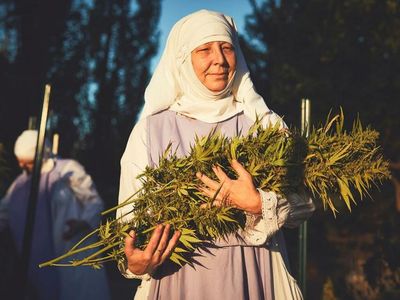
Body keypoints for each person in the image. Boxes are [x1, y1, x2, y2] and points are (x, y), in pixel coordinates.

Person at [118, 9, 315, 300]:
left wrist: (258, 203)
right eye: (204, 50)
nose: (220, 60)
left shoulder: (264, 125)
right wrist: (134, 265)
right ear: (183, 59)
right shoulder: (150, 131)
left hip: (253, 277)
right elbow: (128, 224)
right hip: (177, 282)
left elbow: (306, 202)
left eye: (227, 48)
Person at [0, 130, 110, 300]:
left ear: (40, 156)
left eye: (27, 163)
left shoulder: (67, 170)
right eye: (20, 163)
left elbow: (93, 201)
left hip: (71, 251)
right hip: (38, 260)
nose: (23, 167)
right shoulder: (20, 184)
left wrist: (84, 222)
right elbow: (4, 212)